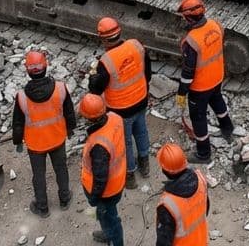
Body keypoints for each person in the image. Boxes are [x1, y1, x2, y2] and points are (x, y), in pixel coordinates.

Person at [88, 17, 152, 185]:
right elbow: (148, 72)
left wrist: (93, 78)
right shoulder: (136, 46)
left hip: (121, 109)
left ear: (103, 38)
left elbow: (96, 90)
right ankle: (145, 164)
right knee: (141, 131)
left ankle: (130, 175)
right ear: (119, 32)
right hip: (141, 100)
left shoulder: (106, 62)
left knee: (126, 142)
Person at [13, 50, 75, 216]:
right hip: (57, 138)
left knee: (38, 176)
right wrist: (70, 129)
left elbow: (18, 123)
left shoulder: (21, 97)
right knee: (61, 169)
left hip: (36, 144)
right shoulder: (60, 89)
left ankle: (42, 207)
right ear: (46, 67)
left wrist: (17, 141)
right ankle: (64, 199)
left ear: (27, 71)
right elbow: (69, 112)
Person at [176, 0, 234, 164]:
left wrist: (181, 92)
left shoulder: (191, 41)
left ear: (188, 17)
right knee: (217, 102)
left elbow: (188, 72)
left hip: (200, 87)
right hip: (216, 78)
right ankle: (227, 128)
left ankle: (203, 153)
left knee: (198, 118)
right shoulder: (215, 25)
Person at [79, 94, 126, 246]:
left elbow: (100, 178)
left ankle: (113, 239)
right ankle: (108, 233)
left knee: (110, 218)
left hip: (106, 192)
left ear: (87, 118)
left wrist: (93, 197)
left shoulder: (99, 145)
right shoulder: (115, 118)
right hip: (118, 181)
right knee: (107, 215)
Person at [154, 143, 209, 246]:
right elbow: (205, 210)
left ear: (164, 170)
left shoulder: (168, 205)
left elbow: (164, 242)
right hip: (201, 241)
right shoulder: (200, 179)